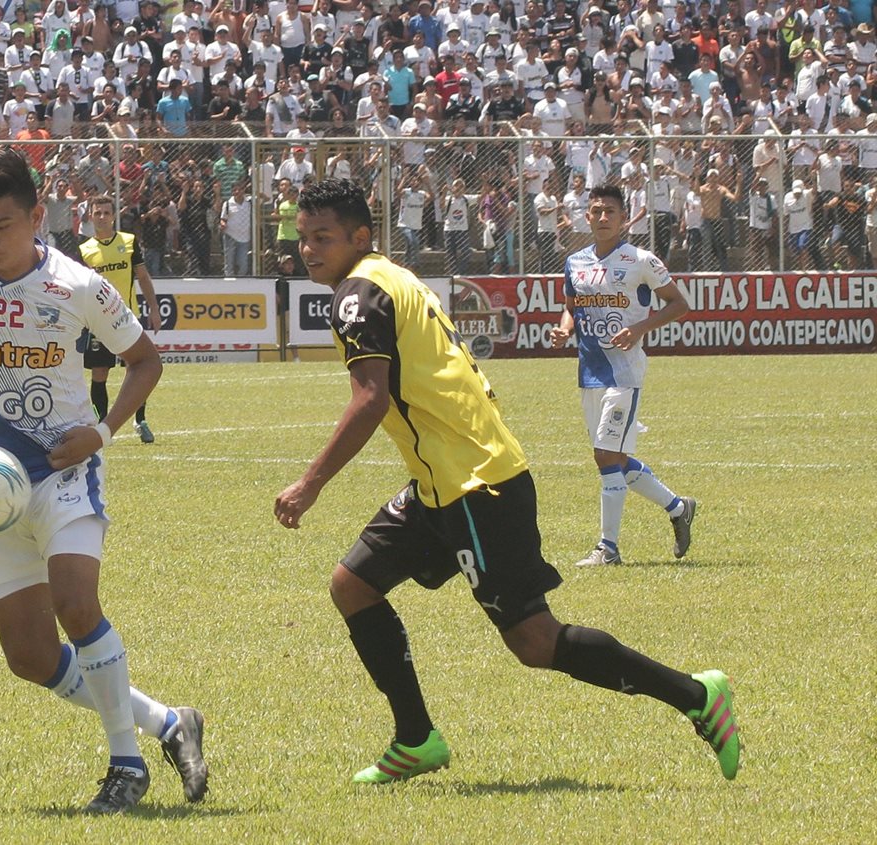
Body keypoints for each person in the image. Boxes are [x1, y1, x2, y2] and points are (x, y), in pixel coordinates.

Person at [274, 178, 740, 787]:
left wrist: (310, 484)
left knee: (534, 640)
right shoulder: (390, 275)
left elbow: (370, 398)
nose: (309, 250)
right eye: (303, 238)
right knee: (353, 586)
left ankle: (695, 696)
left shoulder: (360, 293)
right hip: (440, 482)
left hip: (476, 484)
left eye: (323, 237)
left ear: (360, 237)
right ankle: (416, 739)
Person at [0, 150, 206, 815]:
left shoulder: (77, 284)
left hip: (65, 468)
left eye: (3, 225)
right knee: (28, 654)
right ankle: (169, 722)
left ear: (36, 216)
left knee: (76, 606)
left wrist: (103, 432)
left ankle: (126, 763)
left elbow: (144, 361)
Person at [549, 184, 697, 568]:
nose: (601, 218)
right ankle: (678, 507)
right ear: (586, 216)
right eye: (595, 211)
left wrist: (639, 329)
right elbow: (572, 306)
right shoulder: (575, 262)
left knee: (605, 455)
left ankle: (608, 549)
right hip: (589, 371)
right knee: (614, 457)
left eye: (609, 212)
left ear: (623, 217)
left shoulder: (641, 260)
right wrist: (565, 329)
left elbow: (679, 304)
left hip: (624, 372)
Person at [78, 195, 162, 444]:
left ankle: (140, 420)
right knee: (99, 371)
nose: (102, 217)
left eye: (106, 212)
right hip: (96, 321)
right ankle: (103, 425)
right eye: (97, 213)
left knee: (136, 367)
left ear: (114, 215)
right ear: (90, 216)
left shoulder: (129, 242)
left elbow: (143, 277)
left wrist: (154, 309)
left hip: (126, 317)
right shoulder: (84, 249)